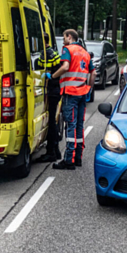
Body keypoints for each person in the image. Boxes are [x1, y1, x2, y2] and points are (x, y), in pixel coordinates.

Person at [53, 29, 94, 170]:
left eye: (64, 37)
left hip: (70, 94)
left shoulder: (67, 50)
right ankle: (78, 157)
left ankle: (68, 160)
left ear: (69, 37)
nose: (63, 40)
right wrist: (89, 87)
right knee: (79, 125)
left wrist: (53, 76)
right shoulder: (85, 53)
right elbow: (92, 72)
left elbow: (65, 67)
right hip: (82, 93)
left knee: (70, 124)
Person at [35, 45, 63, 163]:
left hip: (51, 91)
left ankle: (51, 151)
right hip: (56, 90)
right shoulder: (55, 55)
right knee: (52, 121)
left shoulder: (44, 56)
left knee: (51, 122)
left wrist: (50, 77)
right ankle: (55, 151)